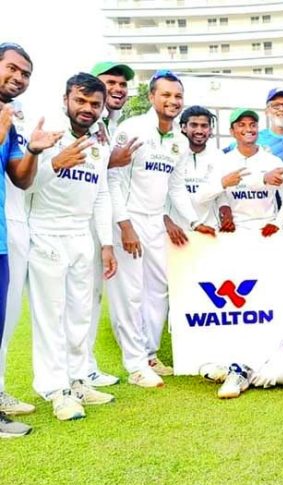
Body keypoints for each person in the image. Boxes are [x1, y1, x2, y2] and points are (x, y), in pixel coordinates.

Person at [108, 70, 216, 389]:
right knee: (130, 293)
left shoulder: (179, 143)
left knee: (158, 289)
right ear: (152, 97)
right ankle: (135, 364)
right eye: (165, 95)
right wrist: (125, 225)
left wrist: (195, 222)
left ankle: (149, 353)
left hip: (155, 221)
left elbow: (176, 188)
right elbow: (114, 179)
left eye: (177, 96)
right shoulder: (132, 129)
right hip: (128, 220)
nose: (172, 101)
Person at [28, 73, 119, 421]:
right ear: (65, 99)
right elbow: (27, 186)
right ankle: (56, 390)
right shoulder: (47, 136)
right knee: (52, 315)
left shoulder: (100, 142)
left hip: (82, 235)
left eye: (94, 104)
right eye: (80, 101)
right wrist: (54, 161)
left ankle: (79, 379)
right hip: (47, 232)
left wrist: (106, 244)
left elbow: (101, 195)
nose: (87, 109)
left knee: (81, 314)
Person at [0, 42, 65, 436]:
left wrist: (36, 152)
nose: (19, 78)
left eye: (26, 74)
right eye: (13, 68)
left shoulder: (9, 119)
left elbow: (20, 178)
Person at [81, 61, 139, 388]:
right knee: (80, 298)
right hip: (78, 221)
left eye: (121, 84)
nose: (117, 89)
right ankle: (77, 370)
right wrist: (125, 224)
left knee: (91, 297)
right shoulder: (91, 122)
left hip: (99, 220)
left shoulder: (111, 124)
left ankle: (86, 366)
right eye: (110, 82)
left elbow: (109, 181)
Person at [197, 108, 283, 235]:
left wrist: (277, 224)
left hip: (267, 231)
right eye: (241, 125)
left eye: (253, 125)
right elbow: (204, 196)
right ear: (232, 131)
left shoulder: (273, 161)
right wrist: (224, 198)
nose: (248, 129)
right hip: (233, 231)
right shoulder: (222, 160)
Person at [168, 106, 224, 233]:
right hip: (177, 231)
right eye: (193, 125)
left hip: (210, 229)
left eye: (204, 126)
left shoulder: (218, 156)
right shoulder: (171, 155)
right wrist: (167, 221)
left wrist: (225, 209)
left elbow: (220, 193)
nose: (199, 130)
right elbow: (161, 194)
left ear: (210, 130)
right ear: (183, 127)